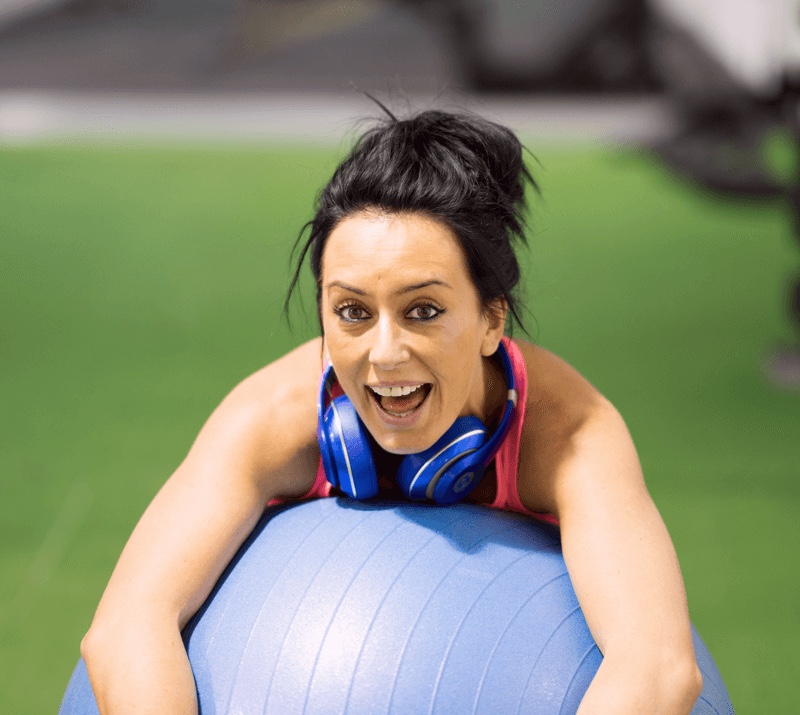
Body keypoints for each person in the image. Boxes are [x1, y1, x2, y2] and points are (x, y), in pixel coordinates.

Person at [80, 108, 703, 713]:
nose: (384, 354)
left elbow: (656, 669)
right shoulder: (273, 417)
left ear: (491, 319)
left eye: (423, 311)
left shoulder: (569, 434)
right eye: (352, 312)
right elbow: (127, 626)